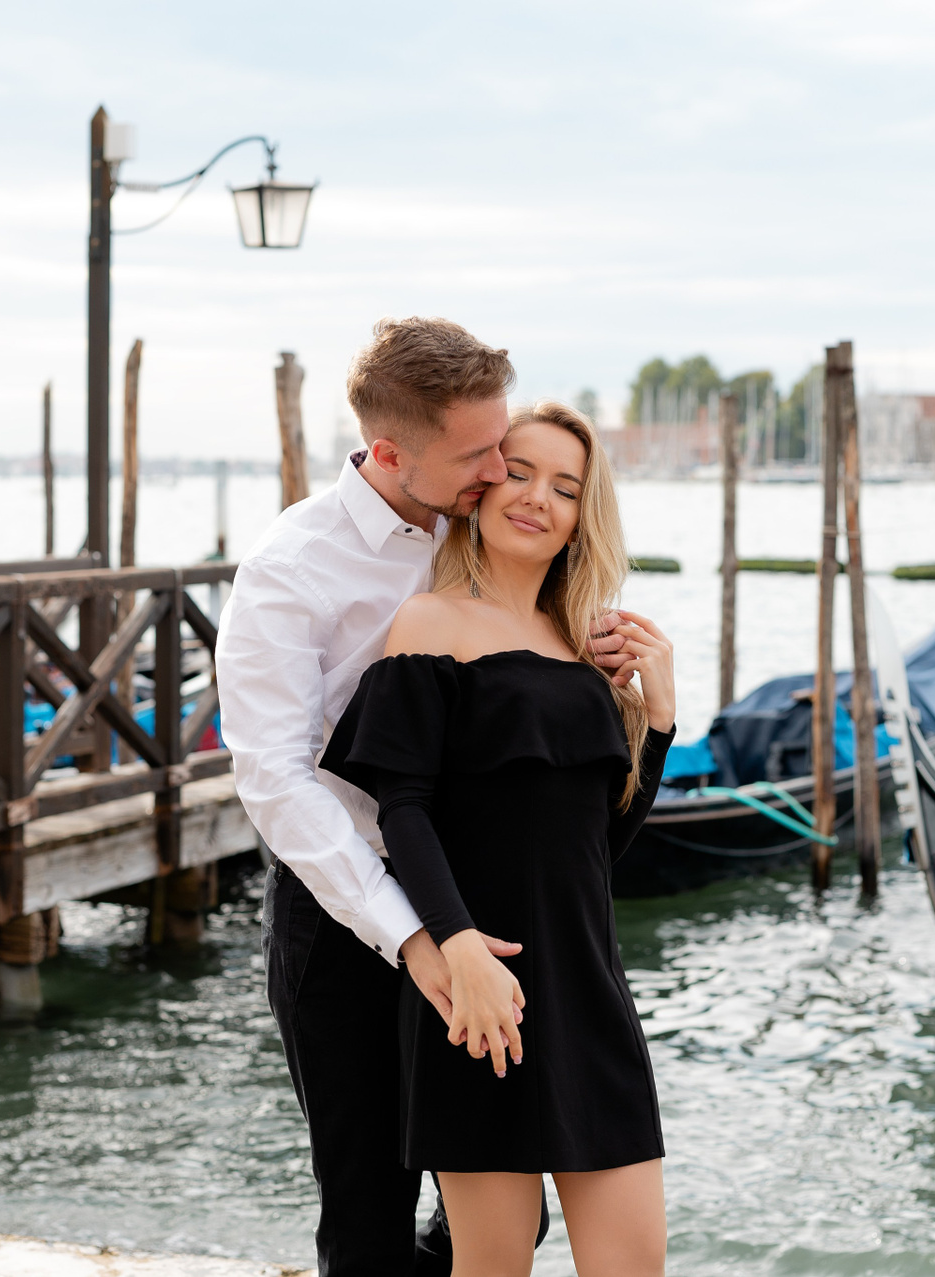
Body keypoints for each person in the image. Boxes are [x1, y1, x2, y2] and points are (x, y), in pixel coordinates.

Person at [217, 320, 624, 1274]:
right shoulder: (289, 569)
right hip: (349, 919)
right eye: (478, 455)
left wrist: (585, 659)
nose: (500, 470)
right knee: (368, 1210)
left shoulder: (482, 519)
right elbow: (275, 779)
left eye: (501, 442)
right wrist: (412, 934)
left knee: (510, 1210)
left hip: (483, 905)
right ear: (391, 452)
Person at [320, 400, 676, 1275]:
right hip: (481, 989)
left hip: (590, 990)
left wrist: (659, 722)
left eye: (566, 487)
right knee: (493, 1266)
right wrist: (456, 943)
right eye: (518, 472)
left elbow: (597, 850)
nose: (537, 497)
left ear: (582, 517)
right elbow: (403, 809)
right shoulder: (429, 622)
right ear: (480, 486)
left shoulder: (580, 647)